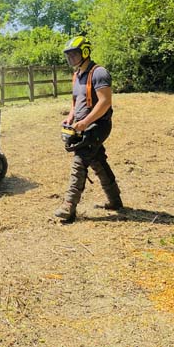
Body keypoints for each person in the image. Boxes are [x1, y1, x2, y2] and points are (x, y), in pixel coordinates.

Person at [55, 35, 123, 222]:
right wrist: (71, 117)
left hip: (98, 126)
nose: (71, 58)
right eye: (68, 55)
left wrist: (85, 122)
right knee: (98, 160)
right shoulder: (77, 75)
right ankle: (115, 200)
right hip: (82, 126)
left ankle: (68, 206)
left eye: (74, 54)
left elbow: (105, 102)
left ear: (85, 52)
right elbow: (76, 101)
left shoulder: (99, 73)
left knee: (80, 159)